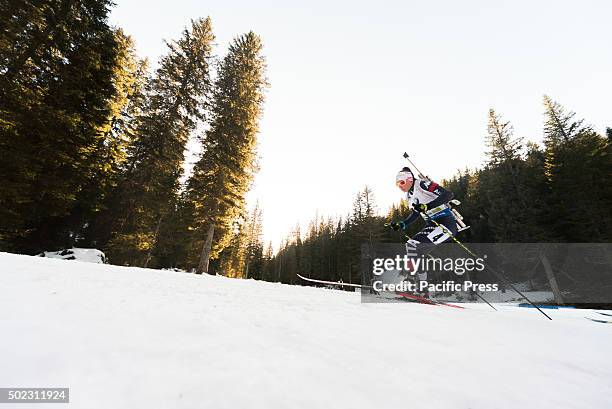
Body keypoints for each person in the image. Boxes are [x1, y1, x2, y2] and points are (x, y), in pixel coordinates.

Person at [387, 167, 458, 296]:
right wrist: (402, 224)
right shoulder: (409, 196)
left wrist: (427, 206)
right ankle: (422, 288)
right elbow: (415, 213)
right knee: (414, 250)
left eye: (401, 182)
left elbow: (448, 194)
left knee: (412, 245)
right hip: (432, 225)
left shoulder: (422, 184)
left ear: (409, 179)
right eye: (397, 184)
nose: (400, 186)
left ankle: (413, 282)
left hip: (445, 224)